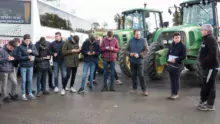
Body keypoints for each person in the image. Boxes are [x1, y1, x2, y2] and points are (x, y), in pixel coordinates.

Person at [197, 24, 219, 111]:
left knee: (209, 85)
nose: (201, 31)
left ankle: (210, 105)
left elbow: (212, 54)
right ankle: (205, 101)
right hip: (208, 66)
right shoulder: (206, 39)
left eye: (202, 30)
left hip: (211, 66)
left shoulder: (210, 39)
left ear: (206, 31)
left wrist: (203, 62)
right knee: (207, 84)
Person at [126, 29, 149, 96]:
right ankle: (134, 89)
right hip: (132, 61)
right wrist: (130, 54)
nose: (138, 35)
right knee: (133, 75)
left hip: (140, 62)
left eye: (139, 34)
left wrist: (140, 55)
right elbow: (126, 50)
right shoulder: (130, 40)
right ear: (134, 34)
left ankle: (144, 90)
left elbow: (147, 51)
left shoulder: (143, 40)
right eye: (137, 34)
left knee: (141, 75)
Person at [17, 34, 39, 100]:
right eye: (27, 40)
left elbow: (37, 54)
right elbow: (19, 57)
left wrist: (32, 51)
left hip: (30, 66)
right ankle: (23, 94)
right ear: (23, 40)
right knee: (24, 80)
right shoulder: (20, 47)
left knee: (29, 80)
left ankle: (30, 93)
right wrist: (27, 57)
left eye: (29, 40)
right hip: (23, 66)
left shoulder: (32, 45)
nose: (28, 42)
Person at [166, 33, 186, 100]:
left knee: (176, 79)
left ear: (180, 38)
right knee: (171, 80)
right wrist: (167, 61)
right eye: (176, 38)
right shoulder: (171, 45)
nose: (177, 39)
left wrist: (176, 60)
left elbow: (183, 56)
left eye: (178, 38)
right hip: (171, 65)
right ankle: (172, 93)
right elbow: (168, 54)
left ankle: (176, 94)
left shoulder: (183, 46)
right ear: (173, 38)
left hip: (178, 65)